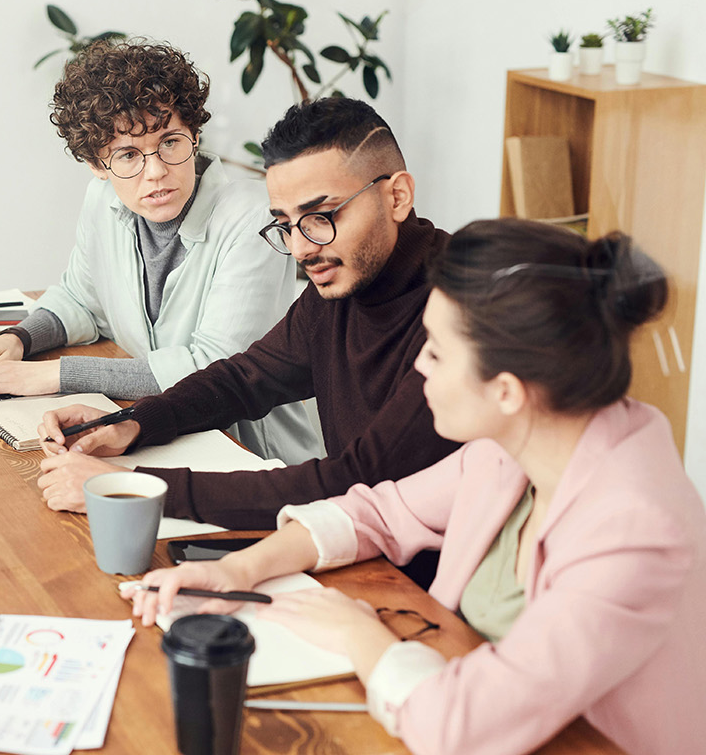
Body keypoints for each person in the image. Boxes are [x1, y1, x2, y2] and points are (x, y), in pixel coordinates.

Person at [127, 220, 706, 755]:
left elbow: (461, 723)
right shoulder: (522, 443)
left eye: (435, 351)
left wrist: (358, 632)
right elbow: (377, 511)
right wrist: (240, 571)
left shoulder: (635, 532)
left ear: (506, 390)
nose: (420, 368)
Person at [36, 97, 459, 531]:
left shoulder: (460, 315)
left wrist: (133, 488)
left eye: (322, 216)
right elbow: (245, 379)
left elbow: (356, 481)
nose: (301, 249)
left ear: (398, 196)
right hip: (355, 542)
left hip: (423, 582)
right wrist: (133, 424)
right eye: (287, 224)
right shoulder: (346, 283)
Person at [0, 39, 320, 466]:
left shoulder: (251, 218)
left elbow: (214, 367)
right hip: (155, 433)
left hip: (248, 457)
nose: (156, 172)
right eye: (127, 155)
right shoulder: (103, 201)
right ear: (97, 166)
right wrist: (18, 339)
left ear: (195, 133)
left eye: (171, 142)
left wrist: (49, 375)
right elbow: (80, 298)